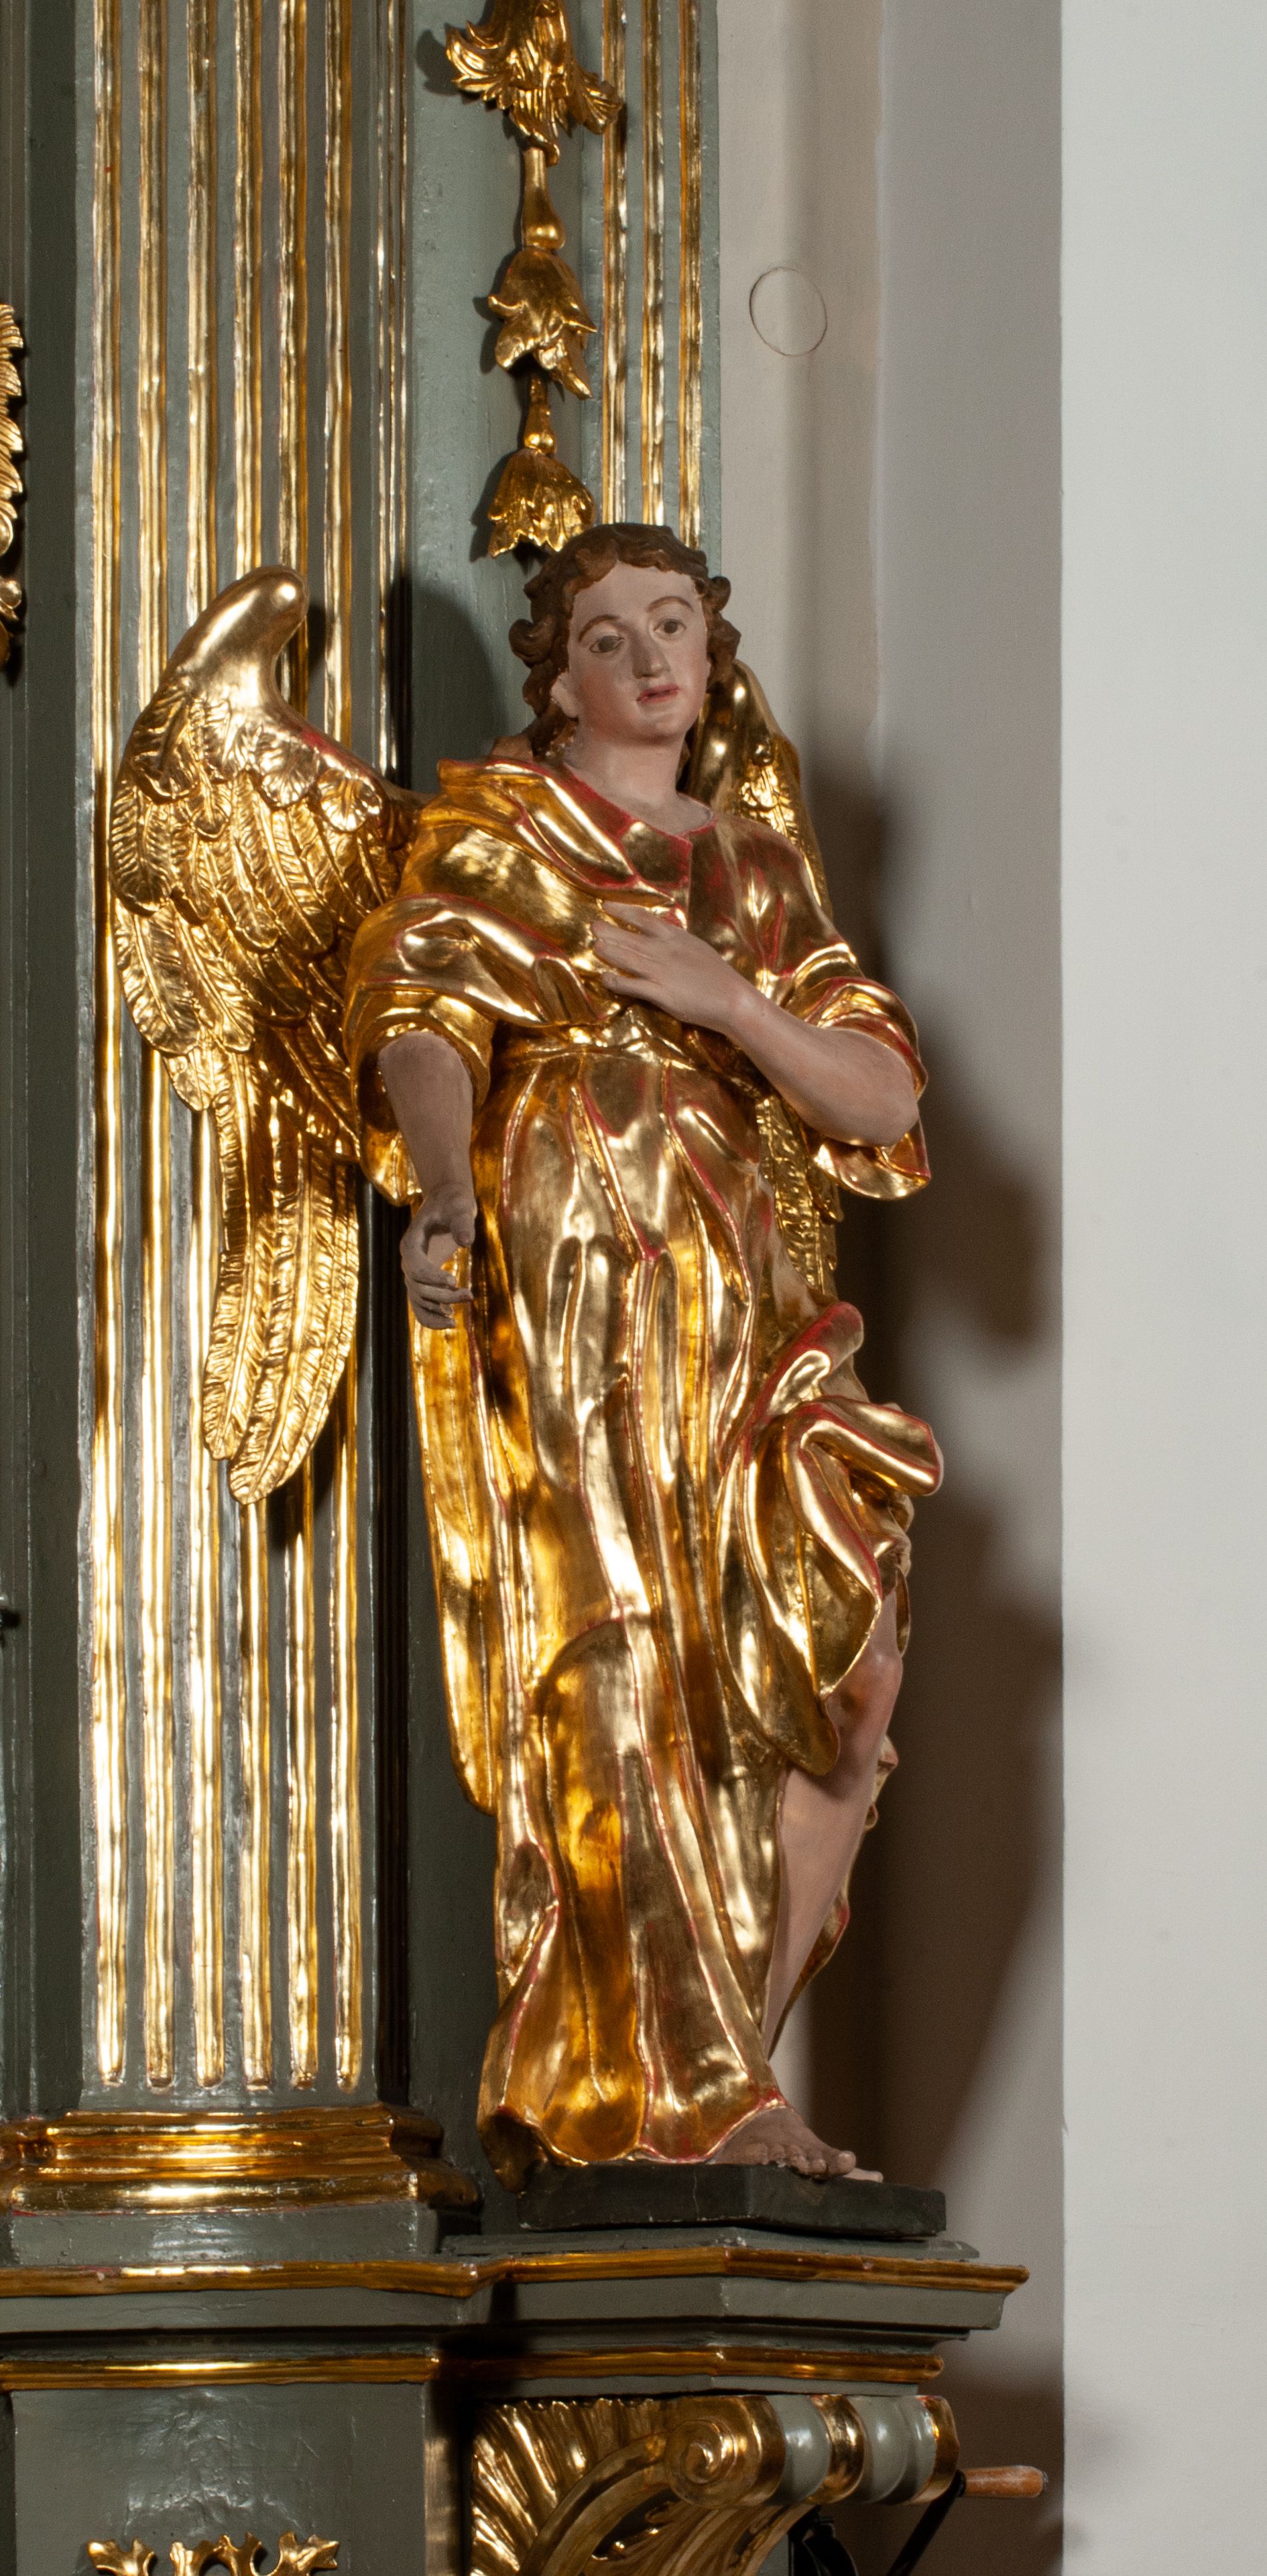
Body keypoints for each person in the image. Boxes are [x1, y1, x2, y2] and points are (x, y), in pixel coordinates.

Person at [343, 523, 940, 2187]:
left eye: (674, 623)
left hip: (741, 1282)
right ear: (559, 679)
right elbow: (424, 1021)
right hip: (581, 1248)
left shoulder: (754, 867)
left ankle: (712, 2059)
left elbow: (882, 1094)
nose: (651, 658)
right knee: (620, 1652)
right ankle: (698, 2095)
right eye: (608, 635)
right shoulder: (506, 825)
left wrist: (723, 998)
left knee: (855, 1668)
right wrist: (447, 1192)